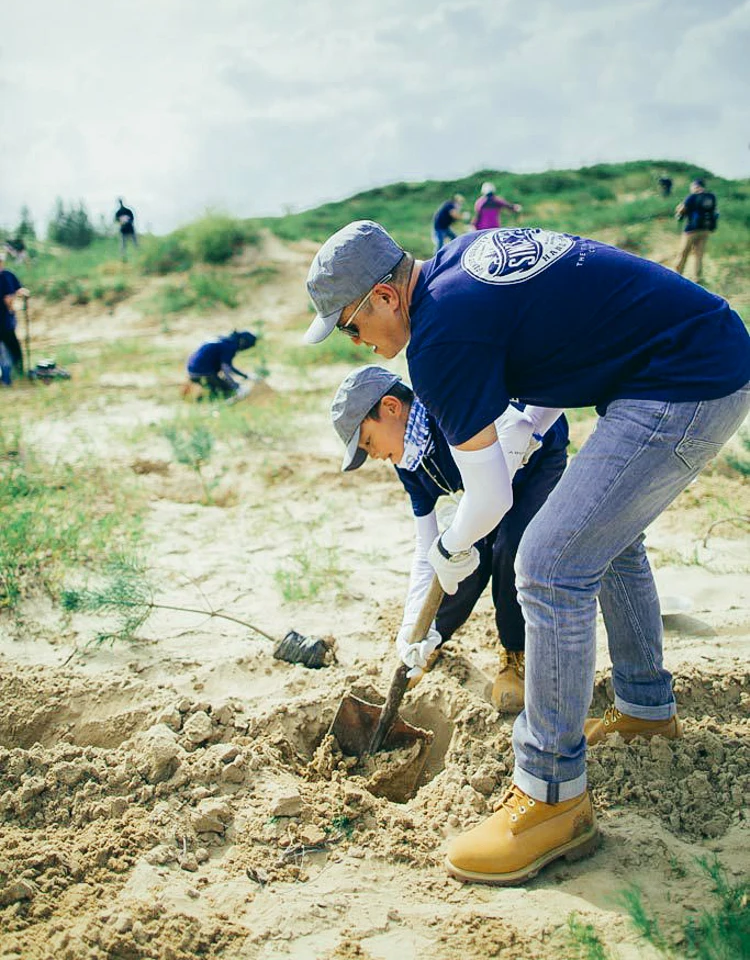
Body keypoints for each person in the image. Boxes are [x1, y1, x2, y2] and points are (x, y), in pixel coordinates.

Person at [303, 219, 750, 886]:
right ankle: (644, 711)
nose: (357, 343)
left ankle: (549, 796)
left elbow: (488, 504)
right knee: (605, 536)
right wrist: (525, 426)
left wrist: (454, 546)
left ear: (385, 298)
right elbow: (555, 336)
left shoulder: (439, 341)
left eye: (349, 326)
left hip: (684, 380)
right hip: (700, 348)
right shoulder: (458, 271)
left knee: (547, 564)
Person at [331, 365, 569, 711]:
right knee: (457, 558)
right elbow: (425, 546)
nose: (375, 456)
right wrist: (414, 623)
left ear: (391, 408)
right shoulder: (408, 462)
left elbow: (522, 426)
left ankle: (515, 653)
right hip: (485, 490)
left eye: (368, 442)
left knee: (510, 550)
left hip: (534, 458)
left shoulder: (447, 409)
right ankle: (430, 640)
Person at [186, 330, 257, 399]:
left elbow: (229, 367)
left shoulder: (224, 341)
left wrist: (245, 376)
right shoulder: (230, 347)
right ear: (243, 342)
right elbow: (226, 370)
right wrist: (235, 387)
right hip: (203, 373)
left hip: (192, 371)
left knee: (223, 384)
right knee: (228, 391)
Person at [675, 178, 718, 282]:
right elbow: (714, 211)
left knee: (683, 253)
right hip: (705, 230)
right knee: (699, 254)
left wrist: (678, 208)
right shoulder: (711, 197)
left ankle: (677, 275)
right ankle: (697, 277)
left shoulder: (692, 197)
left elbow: (681, 210)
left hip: (691, 230)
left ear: (695, 186)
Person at [0, 250, 30, 382]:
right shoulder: (4, 277)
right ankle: (9, 377)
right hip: (4, 320)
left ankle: (16, 374)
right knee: (8, 350)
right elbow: (8, 299)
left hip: (6, 321)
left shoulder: (7, 275)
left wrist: (23, 293)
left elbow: (19, 289)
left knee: (12, 348)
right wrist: (11, 305)